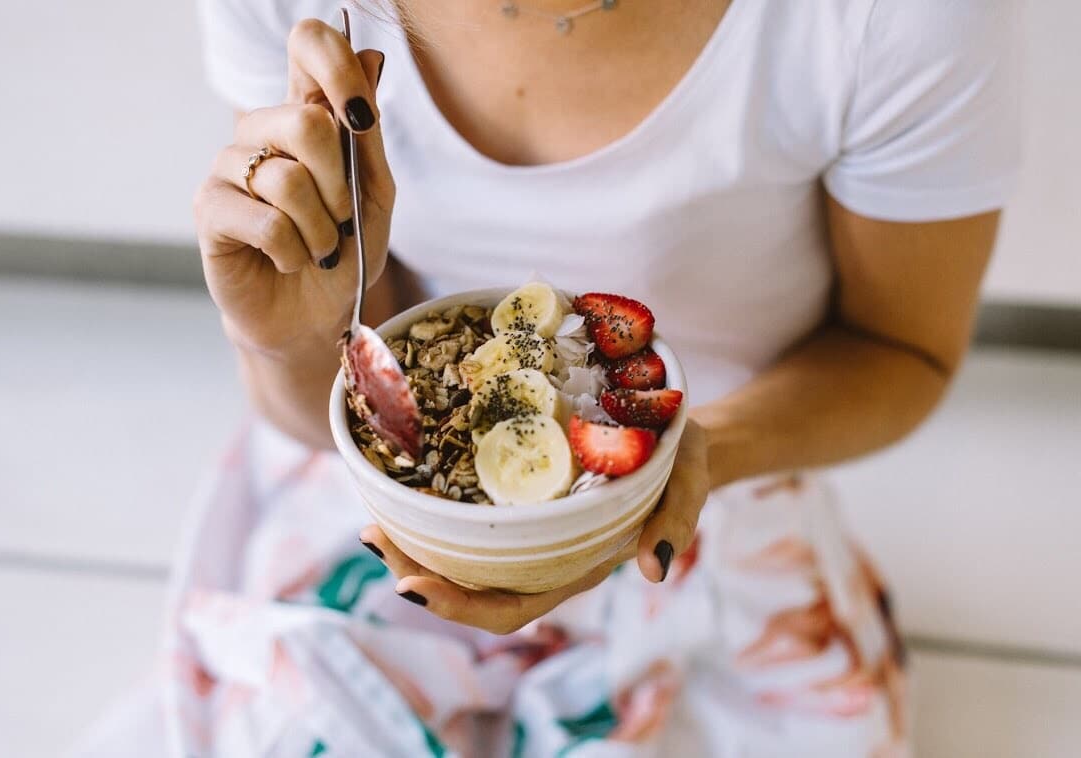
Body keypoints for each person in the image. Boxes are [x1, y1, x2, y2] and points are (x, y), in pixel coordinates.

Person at [72, 0, 1019, 755]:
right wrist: (293, 336)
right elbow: (345, 406)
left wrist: (693, 458)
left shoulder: (894, 18)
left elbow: (904, 350)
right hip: (388, 517)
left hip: (717, 485)